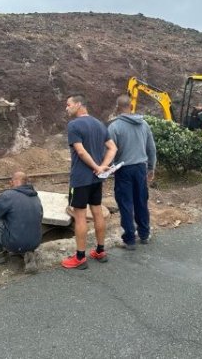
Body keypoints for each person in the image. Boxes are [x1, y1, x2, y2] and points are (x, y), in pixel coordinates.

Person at [61, 93, 117, 269]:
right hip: (96, 180)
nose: (66, 108)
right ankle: (100, 251)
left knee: (79, 217)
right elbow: (113, 148)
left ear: (78, 104)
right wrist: (102, 167)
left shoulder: (74, 125)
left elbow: (81, 152)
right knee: (97, 212)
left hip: (80, 179)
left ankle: (79, 258)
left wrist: (96, 166)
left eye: (68, 104)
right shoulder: (99, 124)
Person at [108, 94, 157, 249]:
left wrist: (109, 167)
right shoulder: (144, 125)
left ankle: (129, 240)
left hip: (123, 170)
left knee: (126, 203)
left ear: (117, 107)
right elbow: (151, 148)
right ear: (131, 106)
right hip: (141, 168)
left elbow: (110, 151)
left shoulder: (114, 127)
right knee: (141, 201)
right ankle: (144, 234)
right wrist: (151, 168)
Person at [0, 171, 43, 264]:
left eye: (11, 181)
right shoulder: (35, 197)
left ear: (15, 181)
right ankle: (27, 252)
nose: (10, 183)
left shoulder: (9, 195)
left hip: (15, 244)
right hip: (35, 242)